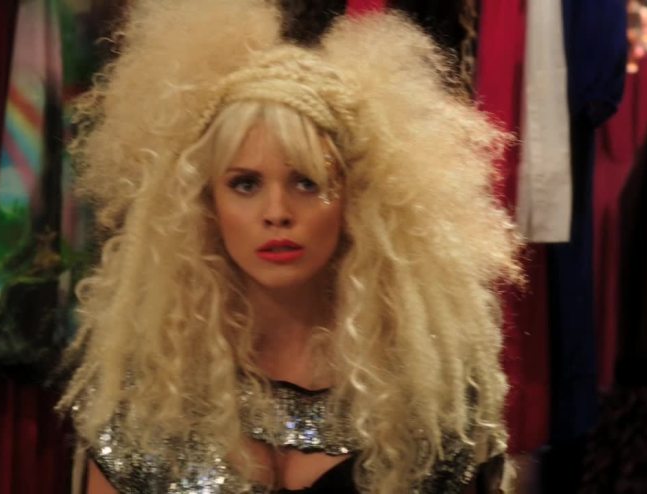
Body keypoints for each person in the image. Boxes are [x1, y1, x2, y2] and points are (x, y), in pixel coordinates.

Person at [57, 1, 521, 492]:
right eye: (245, 184)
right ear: (205, 203)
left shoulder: (429, 395)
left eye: (307, 182)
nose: (276, 212)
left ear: (357, 202)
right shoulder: (146, 394)